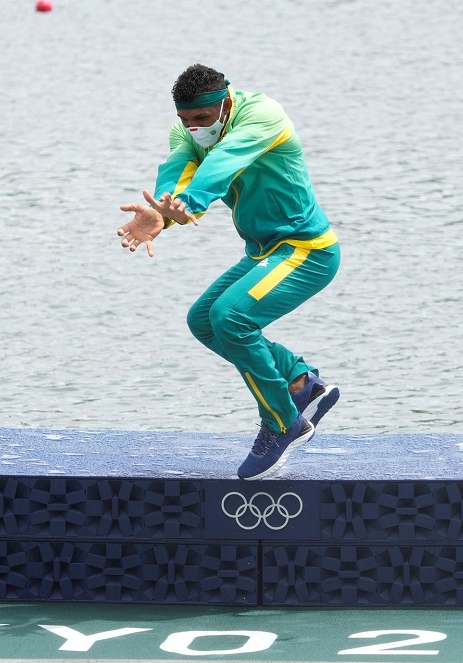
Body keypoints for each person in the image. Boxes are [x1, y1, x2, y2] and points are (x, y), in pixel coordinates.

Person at [116, 64, 341, 481]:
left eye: (201, 119)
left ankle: (282, 422)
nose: (193, 128)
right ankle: (299, 379)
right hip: (264, 253)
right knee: (203, 321)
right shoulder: (185, 133)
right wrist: (163, 212)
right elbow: (177, 169)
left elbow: (224, 161)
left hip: (306, 250)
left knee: (231, 318)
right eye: (185, 120)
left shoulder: (263, 115)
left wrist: (193, 200)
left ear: (225, 102)